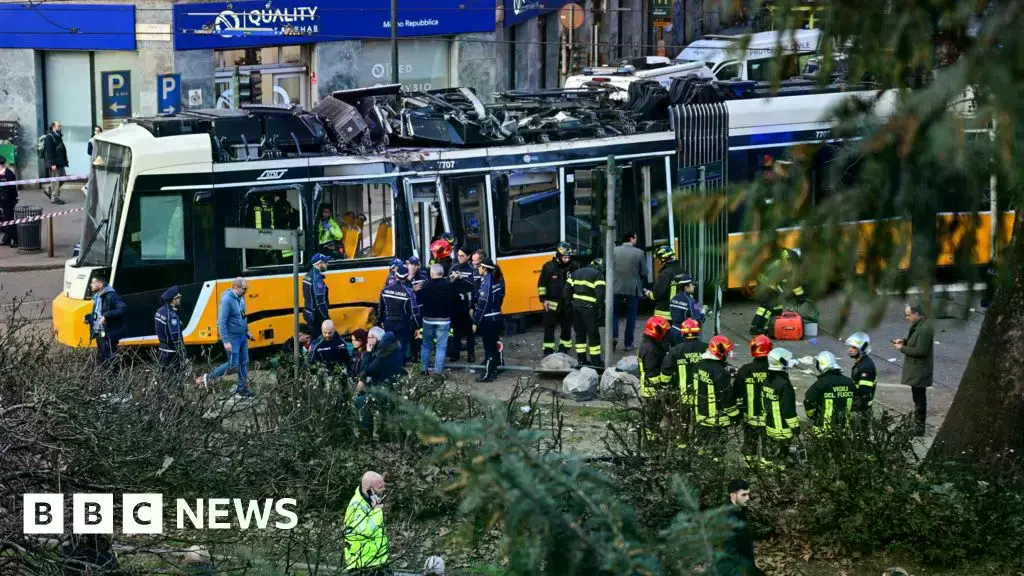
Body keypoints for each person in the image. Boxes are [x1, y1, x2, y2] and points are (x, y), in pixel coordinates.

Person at [196, 278, 253, 397]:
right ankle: (208, 376)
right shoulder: (227, 300)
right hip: (232, 338)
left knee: (244, 362)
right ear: (236, 287)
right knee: (233, 363)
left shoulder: (241, 298)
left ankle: (242, 388)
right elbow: (221, 322)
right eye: (244, 289)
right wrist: (226, 341)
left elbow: (243, 316)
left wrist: (247, 331)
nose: (246, 291)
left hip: (242, 336)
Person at [355, 327, 405, 436]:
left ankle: (366, 435)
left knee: (361, 401)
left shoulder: (383, 352)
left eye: (369, 338)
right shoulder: (390, 346)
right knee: (362, 394)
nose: (367, 341)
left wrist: (367, 353)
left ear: (376, 339)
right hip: (389, 386)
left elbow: (367, 370)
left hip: (386, 390)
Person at [661, 318, 705, 439]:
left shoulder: (676, 350)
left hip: (683, 395)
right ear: (698, 332)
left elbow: (666, 370)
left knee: (682, 425)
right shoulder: (706, 349)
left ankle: (682, 445)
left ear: (682, 332)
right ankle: (698, 445)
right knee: (701, 425)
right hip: (702, 396)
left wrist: (664, 385)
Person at [893, 304, 934, 437]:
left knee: (920, 399)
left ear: (917, 314)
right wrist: (904, 341)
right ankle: (917, 424)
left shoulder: (925, 328)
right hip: (916, 369)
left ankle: (919, 427)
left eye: (909, 315)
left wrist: (902, 349)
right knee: (917, 398)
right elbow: (915, 342)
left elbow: (921, 350)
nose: (907, 318)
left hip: (920, 370)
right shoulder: (920, 327)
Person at [693, 335, 738, 454]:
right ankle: (716, 470)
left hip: (701, 416)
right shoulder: (720, 372)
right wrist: (735, 416)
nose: (728, 355)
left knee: (701, 447)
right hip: (717, 420)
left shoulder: (700, 365)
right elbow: (726, 396)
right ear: (721, 353)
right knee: (717, 451)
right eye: (727, 352)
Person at [750, 248, 806, 336]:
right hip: (766, 282)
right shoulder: (785, 265)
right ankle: (756, 328)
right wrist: (801, 297)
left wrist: (800, 296)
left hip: (766, 279)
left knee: (776, 305)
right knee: (766, 306)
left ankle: (774, 325)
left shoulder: (784, 260)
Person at [733, 335, 772, 462]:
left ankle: (748, 466)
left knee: (749, 443)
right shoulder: (775, 370)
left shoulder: (745, 369)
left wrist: (738, 411)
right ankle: (767, 468)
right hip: (770, 419)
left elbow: (737, 391)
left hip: (750, 417)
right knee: (769, 446)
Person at [344, 471, 390, 574]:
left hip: (378, 561)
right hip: (363, 565)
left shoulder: (369, 503)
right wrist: (377, 509)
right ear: (370, 491)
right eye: (380, 487)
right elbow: (367, 531)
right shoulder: (356, 507)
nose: (383, 490)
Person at [762, 347, 800, 466]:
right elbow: (788, 410)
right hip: (782, 429)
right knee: (780, 461)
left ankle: (764, 479)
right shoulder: (784, 385)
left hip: (770, 426)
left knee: (768, 458)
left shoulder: (767, 381)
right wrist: (795, 427)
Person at [567, 257, 607, 367]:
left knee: (580, 335)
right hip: (589, 309)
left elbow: (567, 290)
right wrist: (600, 308)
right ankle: (596, 362)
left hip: (575, 307)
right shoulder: (598, 275)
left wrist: (570, 304)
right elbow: (600, 294)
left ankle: (581, 361)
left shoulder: (575, 273)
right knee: (593, 335)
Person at [537, 242, 576, 355]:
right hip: (551, 303)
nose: (567, 260)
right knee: (549, 328)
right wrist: (543, 300)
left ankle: (564, 348)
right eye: (564, 257)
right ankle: (548, 350)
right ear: (558, 256)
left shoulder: (573, 267)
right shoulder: (548, 267)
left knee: (566, 327)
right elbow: (541, 285)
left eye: (568, 257)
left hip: (567, 303)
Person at [612, 231, 648, 352]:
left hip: (615, 287)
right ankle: (628, 343)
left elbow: (606, 268)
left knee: (614, 313)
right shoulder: (639, 253)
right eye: (636, 237)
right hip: (633, 289)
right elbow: (644, 272)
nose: (636, 240)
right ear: (631, 238)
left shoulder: (613, 251)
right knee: (631, 316)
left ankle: (614, 336)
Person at [804, 351, 855, 435]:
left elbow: (808, 400)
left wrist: (812, 415)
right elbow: (856, 402)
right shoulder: (849, 382)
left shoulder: (821, 383)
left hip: (823, 429)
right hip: (844, 429)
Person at [377, 264, 421, 362]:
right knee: (401, 347)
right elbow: (414, 312)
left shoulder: (385, 290)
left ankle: (390, 369)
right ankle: (399, 369)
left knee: (388, 346)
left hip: (388, 322)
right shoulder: (409, 292)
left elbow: (380, 308)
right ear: (406, 277)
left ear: (395, 276)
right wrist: (417, 326)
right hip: (402, 323)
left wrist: (379, 322)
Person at [638, 316, 672, 442]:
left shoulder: (650, 344)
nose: (665, 334)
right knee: (653, 419)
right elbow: (652, 374)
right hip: (651, 389)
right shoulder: (650, 349)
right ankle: (651, 443)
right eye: (664, 331)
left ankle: (652, 440)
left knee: (654, 418)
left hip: (651, 388)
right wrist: (664, 383)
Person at [419, 263, 456, 374]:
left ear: (431, 273)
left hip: (428, 319)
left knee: (426, 345)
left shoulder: (426, 284)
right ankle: (438, 372)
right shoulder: (448, 284)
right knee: (441, 346)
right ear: (442, 273)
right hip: (444, 320)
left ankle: (423, 370)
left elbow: (420, 301)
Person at [720, 479, 763, 576]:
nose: (747, 498)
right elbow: (730, 552)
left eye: (748, 494)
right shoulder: (728, 518)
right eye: (743, 495)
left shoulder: (740, 511)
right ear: (733, 496)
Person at [85, 274, 126, 371]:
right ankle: (106, 380)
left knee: (110, 357)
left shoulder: (111, 296)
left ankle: (115, 379)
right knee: (102, 357)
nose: (91, 285)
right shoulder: (98, 297)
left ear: (100, 284)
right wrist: (89, 318)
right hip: (99, 332)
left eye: (93, 283)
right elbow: (98, 314)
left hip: (108, 333)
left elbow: (123, 309)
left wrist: (106, 315)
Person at [472, 257, 505, 382]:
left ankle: (487, 374)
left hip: (488, 319)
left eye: (480, 267)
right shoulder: (496, 280)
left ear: (485, 269)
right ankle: (494, 370)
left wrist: (476, 321)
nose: (478, 268)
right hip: (496, 316)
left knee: (489, 347)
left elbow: (483, 304)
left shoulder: (486, 282)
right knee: (493, 344)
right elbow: (500, 297)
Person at [448, 247, 476, 363]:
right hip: (455, 302)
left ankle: (471, 354)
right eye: (458, 255)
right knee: (456, 330)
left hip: (467, 302)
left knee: (469, 330)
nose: (459, 258)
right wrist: (453, 278)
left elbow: (473, 285)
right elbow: (448, 282)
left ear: (468, 256)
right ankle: (455, 354)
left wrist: (461, 278)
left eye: (462, 256)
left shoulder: (471, 269)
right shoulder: (454, 267)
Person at [645, 246, 684, 321]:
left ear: (663, 259)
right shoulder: (682, 271)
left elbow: (656, 294)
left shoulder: (665, 274)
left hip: (665, 313)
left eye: (658, 259)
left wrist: (649, 293)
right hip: (680, 311)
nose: (658, 261)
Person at [154, 286, 186, 375]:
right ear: (173, 300)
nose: (180, 300)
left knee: (164, 377)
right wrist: (183, 355)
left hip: (162, 349)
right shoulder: (172, 316)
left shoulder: (159, 311)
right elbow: (176, 337)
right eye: (178, 298)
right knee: (175, 377)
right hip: (171, 352)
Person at [845, 332, 877, 417]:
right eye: (850, 347)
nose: (850, 350)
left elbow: (865, 393)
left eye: (854, 347)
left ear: (862, 349)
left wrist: (857, 411)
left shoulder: (866, 367)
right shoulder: (861, 363)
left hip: (862, 410)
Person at [669, 273, 706, 344]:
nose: (694, 286)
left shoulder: (674, 298)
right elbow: (698, 321)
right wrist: (703, 312)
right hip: (684, 334)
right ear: (686, 287)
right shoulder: (691, 301)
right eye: (692, 285)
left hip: (673, 331)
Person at [303, 253, 331, 335]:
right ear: (319, 264)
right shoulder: (317, 279)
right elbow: (320, 302)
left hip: (309, 313)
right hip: (318, 316)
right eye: (325, 262)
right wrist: (326, 318)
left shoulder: (308, 275)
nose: (327, 264)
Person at [42, 120, 68, 205]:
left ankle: (49, 190)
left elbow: (62, 149)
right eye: (58, 126)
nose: (60, 127)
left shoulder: (58, 136)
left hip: (60, 162)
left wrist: (65, 159)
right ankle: (54, 198)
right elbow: (49, 152)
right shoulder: (49, 137)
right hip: (54, 163)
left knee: (63, 178)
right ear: (53, 127)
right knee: (56, 181)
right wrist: (52, 164)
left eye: (60, 126)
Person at [0, 155, 18, 247]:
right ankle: (7, 238)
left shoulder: (7, 174)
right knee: (3, 220)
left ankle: (15, 239)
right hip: (3, 199)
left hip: (7, 200)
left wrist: (13, 200)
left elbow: (10, 190)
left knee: (8, 220)